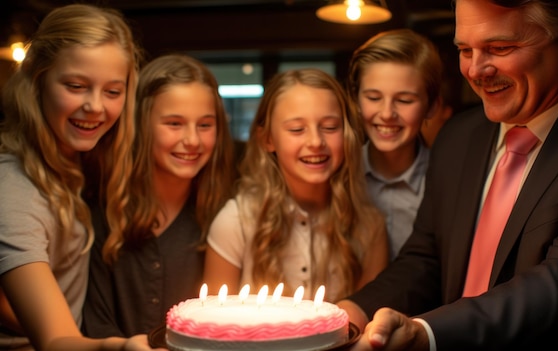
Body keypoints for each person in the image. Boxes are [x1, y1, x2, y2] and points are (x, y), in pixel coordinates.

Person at [338, 0, 558, 350]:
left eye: (499, 48)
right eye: (464, 49)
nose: (475, 70)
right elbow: (426, 259)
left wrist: (426, 333)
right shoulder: (459, 136)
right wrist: (350, 312)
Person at [0, 4, 165, 351]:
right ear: (37, 80)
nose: (96, 106)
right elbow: (55, 339)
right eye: (76, 85)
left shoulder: (78, 165)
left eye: (112, 91)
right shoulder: (13, 189)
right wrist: (119, 347)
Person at [82, 54, 235, 338]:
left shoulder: (224, 215)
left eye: (204, 125)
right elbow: (94, 324)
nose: (192, 140)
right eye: (174, 124)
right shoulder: (103, 211)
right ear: (141, 126)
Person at [204, 68, 388, 303]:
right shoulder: (236, 221)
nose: (315, 142)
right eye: (296, 130)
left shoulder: (370, 226)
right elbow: (212, 322)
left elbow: (366, 320)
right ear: (268, 139)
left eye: (330, 127)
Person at [346, 28, 448, 261]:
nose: (387, 114)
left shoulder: (448, 185)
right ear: (356, 99)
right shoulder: (338, 176)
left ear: (432, 106)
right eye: (373, 98)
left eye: (404, 100)